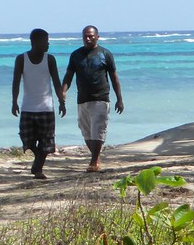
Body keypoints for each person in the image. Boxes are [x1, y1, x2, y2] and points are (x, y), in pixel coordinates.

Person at [61, 24, 124, 173]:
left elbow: (114, 78)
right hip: (82, 99)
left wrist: (119, 99)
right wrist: (63, 92)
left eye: (90, 36)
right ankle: (95, 156)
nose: (88, 39)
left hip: (101, 98)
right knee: (86, 132)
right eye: (85, 36)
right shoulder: (76, 55)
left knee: (98, 130)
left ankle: (94, 160)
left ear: (97, 37)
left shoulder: (105, 54)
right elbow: (69, 76)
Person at [12, 29, 65, 181]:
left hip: (46, 107)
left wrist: (61, 102)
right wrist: (14, 102)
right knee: (26, 139)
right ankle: (38, 158)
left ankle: (38, 169)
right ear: (34, 42)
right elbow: (16, 81)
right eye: (45, 41)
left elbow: (56, 82)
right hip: (28, 106)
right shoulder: (21, 59)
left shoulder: (50, 59)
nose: (48, 44)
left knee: (46, 142)